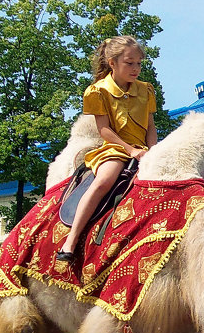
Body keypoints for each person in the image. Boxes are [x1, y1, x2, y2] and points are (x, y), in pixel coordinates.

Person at [57, 35, 157, 262]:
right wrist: (131, 151)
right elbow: (104, 130)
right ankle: (70, 242)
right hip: (115, 148)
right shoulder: (97, 91)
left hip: (144, 150)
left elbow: (151, 126)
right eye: (129, 63)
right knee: (105, 180)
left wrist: (154, 152)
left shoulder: (146, 90)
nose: (136, 68)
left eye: (139, 63)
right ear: (112, 62)